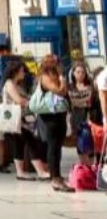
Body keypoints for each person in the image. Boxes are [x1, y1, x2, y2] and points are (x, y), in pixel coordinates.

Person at [1, 61, 49, 181]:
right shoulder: (9, 83)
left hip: (19, 119)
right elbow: (18, 100)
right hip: (17, 118)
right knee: (31, 142)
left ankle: (20, 172)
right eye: (22, 71)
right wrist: (33, 104)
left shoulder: (17, 84)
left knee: (19, 144)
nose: (24, 73)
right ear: (15, 72)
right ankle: (40, 171)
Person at [36, 56, 73, 192]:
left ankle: (57, 175)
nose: (57, 65)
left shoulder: (55, 76)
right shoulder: (45, 77)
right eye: (54, 63)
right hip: (49, 116)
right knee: (53, 146)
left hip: (59, 115)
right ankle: (54, 178)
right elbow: (60, 91)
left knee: (58, 146)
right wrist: (62, 79)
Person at [69, 62, 95, 166]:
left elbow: (89, 102)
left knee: (89, 142)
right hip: (75, 117)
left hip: (87, 117)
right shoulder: (69, 87)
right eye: (78, 72)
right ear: (73, 73)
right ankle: (83, 165)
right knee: (79, 143)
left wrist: (79, 102)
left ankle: (90, 165)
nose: (80, 74)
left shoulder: (90, 86)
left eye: (82, 72)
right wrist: (82, 102)